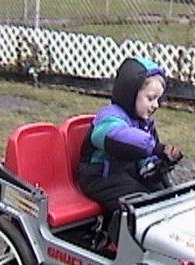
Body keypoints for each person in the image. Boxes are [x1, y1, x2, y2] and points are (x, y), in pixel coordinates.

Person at [76, 57, 183, 219]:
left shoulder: (144, 123)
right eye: (150, 98)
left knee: (164, 195)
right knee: (140, 204)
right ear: (131, 93)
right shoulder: (109, 116)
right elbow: (119, 137)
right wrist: (155, 148)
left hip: (124, 173)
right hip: (99, 176)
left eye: (158, 99)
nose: (156, 105)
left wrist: (155, 165)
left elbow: (143, 156)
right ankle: (117, 240)